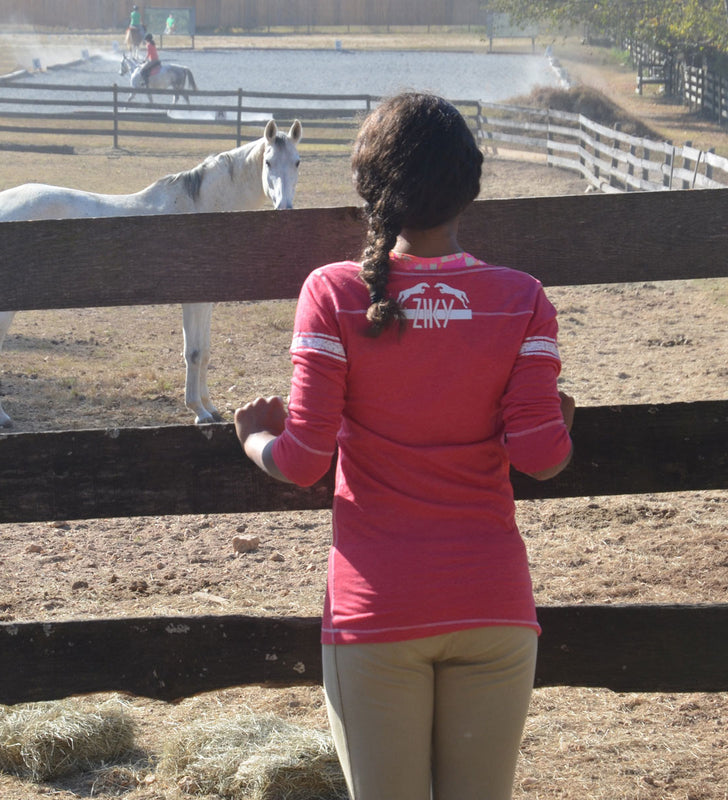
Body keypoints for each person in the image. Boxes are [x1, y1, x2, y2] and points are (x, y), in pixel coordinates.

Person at [234, 92, 575, 800]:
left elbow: (301, 462)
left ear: (370, 187)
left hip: (379, 613)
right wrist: (558, 423)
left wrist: (255, 438)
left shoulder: (333, 293)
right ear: (470, 185)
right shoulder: (522, 299)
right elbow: (541, 456)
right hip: (493, 607)